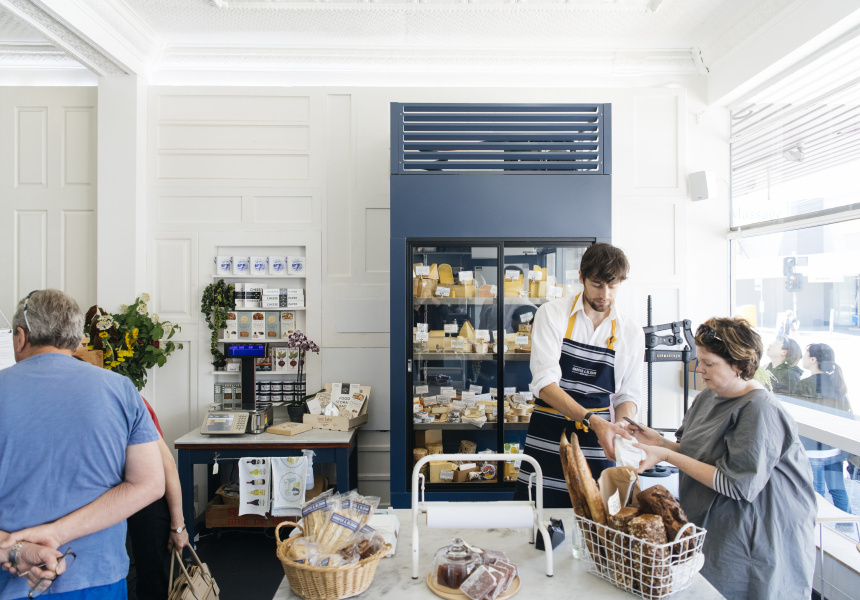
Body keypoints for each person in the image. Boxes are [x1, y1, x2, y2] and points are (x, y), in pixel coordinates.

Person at [631, 317, 815, 600]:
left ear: (739, 365)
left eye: (709, 363)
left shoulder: (759, 409)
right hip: (714, 529)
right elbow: (698, 455)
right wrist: (658, 441)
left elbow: (737, 484)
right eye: (698, 359)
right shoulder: (709, 397)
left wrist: (666, 455)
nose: (698, 368)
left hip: (754, 538)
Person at [0, 289, 165, 600]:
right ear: (77, 341)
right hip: (96, 576)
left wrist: (16, 549)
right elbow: (150, 484)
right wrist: (55, 534)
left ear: (20, 337)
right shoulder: (120, 390)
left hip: (9, 582)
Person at [514, 243, 644, 507]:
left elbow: (627, 394)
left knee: (598, 518)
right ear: (581, 276)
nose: (605, 294)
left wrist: (619, 428)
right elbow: (545, 384)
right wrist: (592, 420)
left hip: (601, 440)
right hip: (550, 431)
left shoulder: (631, 332)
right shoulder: (552, 314)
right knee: (537, 515)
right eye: (597, 284)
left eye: (613, 285)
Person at [126, 395, 191, 600]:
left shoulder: (128, 401)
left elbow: (168, 466)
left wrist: (178, 526)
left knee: (157, 582)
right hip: (117, 504)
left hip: (148, 503)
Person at [798, 343, 852, 513]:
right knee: (838, 490)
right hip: (834, 449)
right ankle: (847, 527)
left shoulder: (806, 384)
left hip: (813, 450)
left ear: (813, 359)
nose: (803, 358)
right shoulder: (836, 383)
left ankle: (820, 534)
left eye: (806, 354)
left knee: (816, 494)